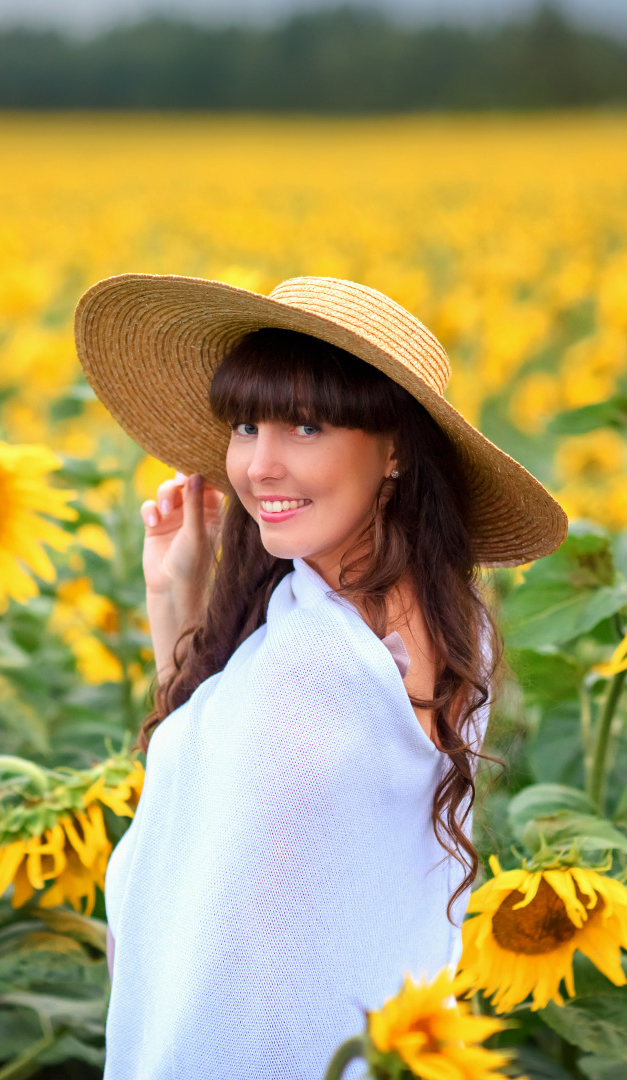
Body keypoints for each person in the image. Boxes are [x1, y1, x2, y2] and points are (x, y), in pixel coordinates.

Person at [72, 274, 567, 1079]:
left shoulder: (326, 659)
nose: (259, 465)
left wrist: (181, 617)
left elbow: (218, 879)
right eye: (244, 425)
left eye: (305, 426)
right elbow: (228, 807)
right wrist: (178, 601)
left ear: (396, 447)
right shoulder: (418, 616)